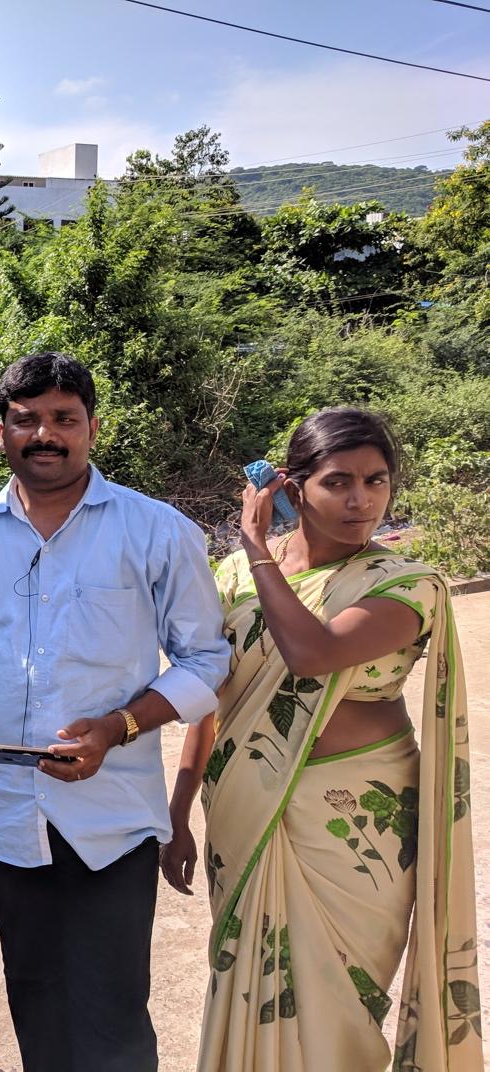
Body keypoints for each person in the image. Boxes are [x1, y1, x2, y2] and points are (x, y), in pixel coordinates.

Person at [0, 352, 229, 1072]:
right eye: (25, 421)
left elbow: (205, 661)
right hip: (2, 812)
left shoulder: (154, 530)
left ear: (92, 427)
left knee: (112, 1003)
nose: (44, 435)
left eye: (63, 419)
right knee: (33, 989)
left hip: (110, 811)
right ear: (0, 433)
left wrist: (118, 726)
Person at [164, 407, 481, 1071]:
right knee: (254, 983)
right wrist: (177, 808)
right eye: (337, 481)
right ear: (292, 486)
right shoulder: (229, 583)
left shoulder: (403, 585)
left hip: (354, 831)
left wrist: (255, 549)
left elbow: (310, 653)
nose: (359, 499)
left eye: (375, 481)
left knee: (338, 1001)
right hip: (243, 811)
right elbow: (211, 701)